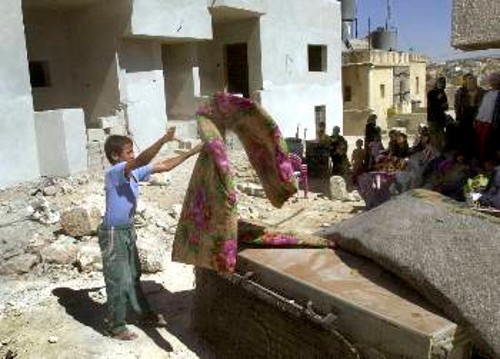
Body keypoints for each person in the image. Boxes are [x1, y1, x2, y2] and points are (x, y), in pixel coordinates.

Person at [99, 128, 202, 340]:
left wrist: (192, 153)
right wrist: (164, 139)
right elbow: (141, 160)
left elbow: (164, 165)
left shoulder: (133, 173)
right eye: (128, 152)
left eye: (132, 151)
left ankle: (143, 314)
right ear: (115, 157)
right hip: (113, 232)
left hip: (127, 230)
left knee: (134, 274)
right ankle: (115, 326)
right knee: (117, 278)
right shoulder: (115, 172)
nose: (133, 155)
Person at [454, 74, 485, 157]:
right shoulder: (462, 93)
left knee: (475, 136)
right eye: (468, 82)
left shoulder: (482, 92)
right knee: (465, 135)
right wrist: (458, 117)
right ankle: (465, 154)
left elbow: (482, 106)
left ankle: (474, 154)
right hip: (465, 116)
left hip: (477, 117)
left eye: (472, 81)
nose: (469, 83)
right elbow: (458, 106)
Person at [474, 72, 500, 163]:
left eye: (495, 80)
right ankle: (478, 161)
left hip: (490, 123)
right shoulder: (486, 93)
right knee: (478, 142)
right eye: (491, 80)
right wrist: (476, 119)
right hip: (480, 122)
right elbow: (481, 107)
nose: (492, 82)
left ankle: (484, 162)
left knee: (485, 144)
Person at [427, 76, 449, 153]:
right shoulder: (432, 93)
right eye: (441, 83)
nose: (443, 85)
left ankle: (440, 152)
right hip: (433, 118)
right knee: (434, 137)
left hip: (440, 119)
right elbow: (432, 106)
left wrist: (441, 105)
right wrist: (438, 102)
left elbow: (446, 106)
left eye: (444, 83)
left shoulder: (443, 93)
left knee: (440, 137)